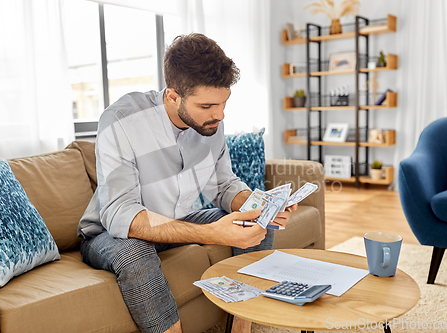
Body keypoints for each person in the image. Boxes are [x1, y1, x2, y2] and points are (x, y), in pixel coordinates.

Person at [78, 33, 296, 333]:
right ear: (173, 96)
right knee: (135, 252)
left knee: (254, 222)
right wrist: (210, 233)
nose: (219, 115)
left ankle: (241, 328)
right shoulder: (121, 121)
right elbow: (121, 215)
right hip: (109, 233)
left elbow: (223, 186)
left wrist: (261, 206)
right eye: (207, 106)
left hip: (173, 220)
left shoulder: (211, 123)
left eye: (223, 103)